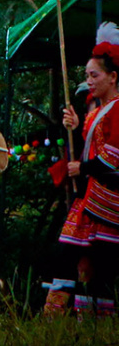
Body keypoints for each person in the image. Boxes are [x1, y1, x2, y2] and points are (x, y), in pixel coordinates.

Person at [43, 23, 119, 317]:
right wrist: (75, 130)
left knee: (100, 270)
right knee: (69, 257)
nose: (88, 81)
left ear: (113, 77)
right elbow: (88, 150)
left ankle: (95, 328)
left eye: (94, 75)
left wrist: (82, 167)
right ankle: (56, 320)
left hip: (109, 203)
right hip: (89, 201)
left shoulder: (116, 110)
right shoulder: (97, 111)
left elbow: (111, 159)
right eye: (86, 75)